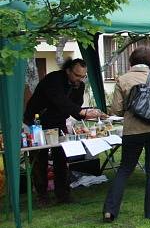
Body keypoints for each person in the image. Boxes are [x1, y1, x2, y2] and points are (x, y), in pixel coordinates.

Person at [23, 58, 106, 205]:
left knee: (61, 157)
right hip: (37, 121)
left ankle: (63, 194)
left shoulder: (79, 86)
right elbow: (61, 101)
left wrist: (89, 112)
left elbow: (75, 109)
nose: (80, 80)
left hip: (58, 122)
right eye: (77, 75)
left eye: (83, 76)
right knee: (39, 159)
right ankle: (42, 196)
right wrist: (82, 113)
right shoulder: (53, 80)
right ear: (68, 70)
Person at [102, 47, 150, 222]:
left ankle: (110, 210)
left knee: (125, 169)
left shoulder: (122, 80)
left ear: (132, 61)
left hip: (133, 131)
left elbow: (116, 109)